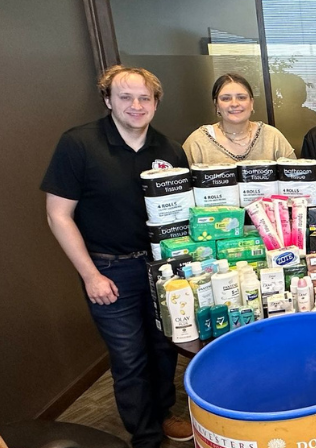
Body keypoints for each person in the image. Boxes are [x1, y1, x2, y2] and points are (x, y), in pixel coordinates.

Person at [41, 66, 192, 447]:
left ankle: (162, 414)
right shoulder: (79, 144)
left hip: (161, 268)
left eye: (145, 98)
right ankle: (144, 436)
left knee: (163, 347)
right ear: (108, 100)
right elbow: (58, 214)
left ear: (156, 103)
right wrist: (90, 275)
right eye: (125, 97)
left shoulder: (170, 150)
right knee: (129, 358)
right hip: (109, 268)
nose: (136, 105)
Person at [183, 73, 295, 164]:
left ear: (251, 103)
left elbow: (296, 179)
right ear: (216, 105)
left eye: (241, 97)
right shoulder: (197, 142)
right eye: (226, 99)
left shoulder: (273, 137)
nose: (234, 104)